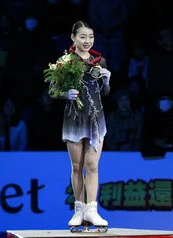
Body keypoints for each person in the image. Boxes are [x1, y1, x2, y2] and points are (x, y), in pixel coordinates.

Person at [49, 21, 111, 230]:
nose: (87, 41)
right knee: (77, 166)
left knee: (92, 165)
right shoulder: (65, 61)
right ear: (73, 38)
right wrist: (64, 94)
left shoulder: (99, 60)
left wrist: (107, 81)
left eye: (91, 37)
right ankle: (78, 209)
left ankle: (92, 210)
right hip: (73, 118)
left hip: (95, 117)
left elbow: (104, 92)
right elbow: (52, 91)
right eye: (83, 37)